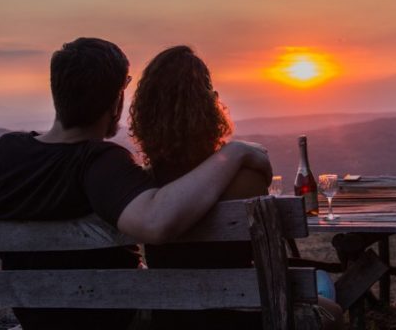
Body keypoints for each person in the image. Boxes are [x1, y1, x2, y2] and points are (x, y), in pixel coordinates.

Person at [0, 38, 272, 330]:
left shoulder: (7, 150)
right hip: (112, 319)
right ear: (117, 102)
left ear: (57, 91)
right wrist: (234, 152)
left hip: (34, 318)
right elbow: (155, 223)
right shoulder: (101, 164)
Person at [129, 45, 343, 330]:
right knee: (332, 308)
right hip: (246, 314)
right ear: (208, 106)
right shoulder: (245, 181)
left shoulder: (145, 190)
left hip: (173, 318)